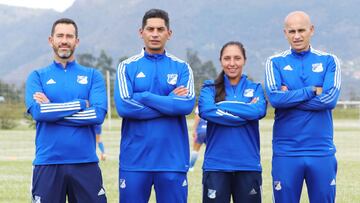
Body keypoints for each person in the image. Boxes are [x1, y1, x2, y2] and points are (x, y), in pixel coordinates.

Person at [114, 9, 195, 203]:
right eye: (150, 29)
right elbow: (124, 107)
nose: (155, 34)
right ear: (141, 32)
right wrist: (169, 102)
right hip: (134, 161)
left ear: (169, 33)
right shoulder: (126, 67)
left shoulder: (182, 67)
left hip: (172, 160)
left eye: (160, 29)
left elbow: (186, 105)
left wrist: (144, 96)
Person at [25, 18, 107, 203]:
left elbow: (97, 114)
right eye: (60, 35)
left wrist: (52, 111)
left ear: (76, 41)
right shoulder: (37, 76)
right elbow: (38, 113)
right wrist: (80, 104)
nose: (64, 40)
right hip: (48, 163)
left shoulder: (93, 75)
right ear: (51, 40)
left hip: (85, 163)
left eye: (69, 36)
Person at [265, 11, 341, 203]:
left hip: (321, 150)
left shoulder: (329, 60)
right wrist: (313, 90)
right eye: (291, 31)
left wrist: (290, 96)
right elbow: (275, 99)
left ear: (311, 30)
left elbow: (329, 100)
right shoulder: (275, 62)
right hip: (286, 151)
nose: (296, 36)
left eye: (301, 30)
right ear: (285, 33)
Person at [199, 41, 267, 203]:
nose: (232, 63)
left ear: (244, 60)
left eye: (237, 58)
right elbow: (207, 111)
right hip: (216, 165)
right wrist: (245, 111)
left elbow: (258, 111)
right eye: (227, 58)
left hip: (248, 165)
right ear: (221, 60)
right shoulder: (210, 88)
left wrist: (220, 108)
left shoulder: (255, 88)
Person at [189, 106, 207, 171]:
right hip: (210, 131)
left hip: (201, 130)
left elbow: (197, 117)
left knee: (195, 149)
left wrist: (194, 130)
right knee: (210, 150)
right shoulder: (214, 103)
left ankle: (191, 167)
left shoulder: (200, 105)